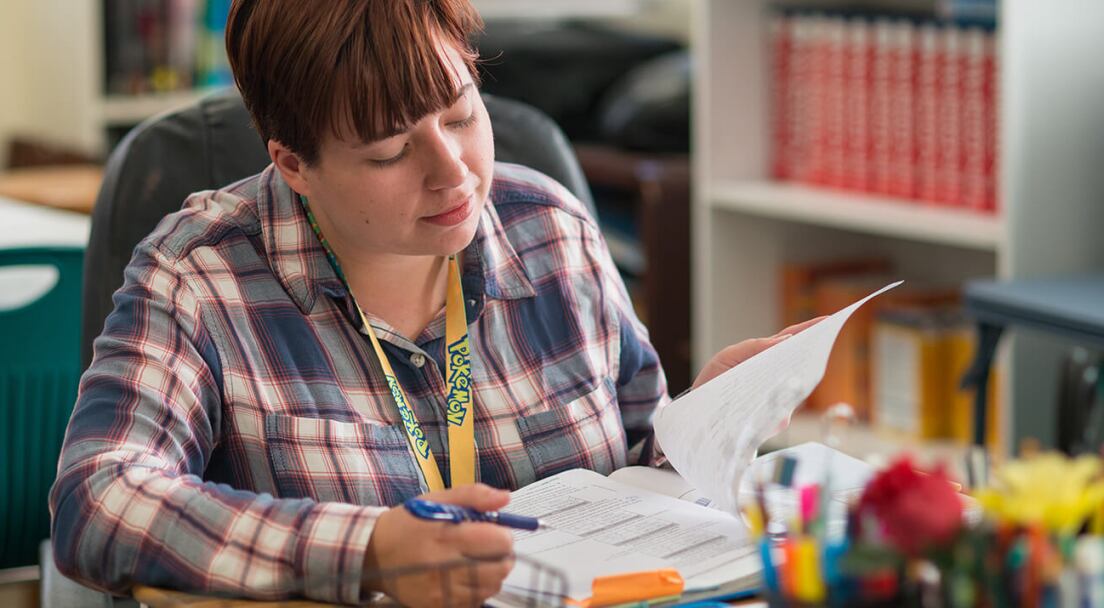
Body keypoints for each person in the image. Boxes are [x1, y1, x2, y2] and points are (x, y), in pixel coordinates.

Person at [50, 1, 818, 606]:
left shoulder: (549, 232)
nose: (454, 174)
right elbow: (98, 501)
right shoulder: (198, 277)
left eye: (460, 115)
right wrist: (370, 550)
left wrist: (706, 423)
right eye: (389, 151)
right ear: (293, 163)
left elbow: (643, 471)